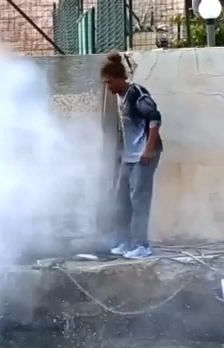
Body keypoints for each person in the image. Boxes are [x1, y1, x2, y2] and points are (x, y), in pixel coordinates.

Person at [101, 52, 163, 259]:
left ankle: (142, 246)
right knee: (122, 200)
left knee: (139, 201)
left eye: (109, 82)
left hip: (144, 156)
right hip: (129, 157)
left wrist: (149, 149)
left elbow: (155, 118)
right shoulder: (119, 98)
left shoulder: (136, 93)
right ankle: (125, 242)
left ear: (119, 79)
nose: (108, 87)